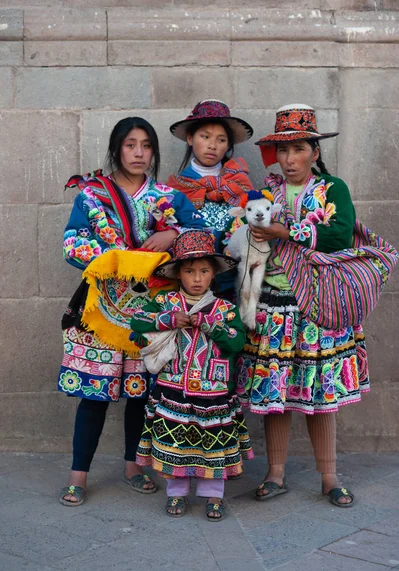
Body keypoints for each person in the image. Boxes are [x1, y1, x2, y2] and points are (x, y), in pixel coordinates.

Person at [58, 117, 207, 506]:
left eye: (146, 146)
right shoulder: (92, 197)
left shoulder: (168, 197)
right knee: (94, 395)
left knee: (141, 395)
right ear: (116, 149)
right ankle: (78, 477)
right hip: (102, 313)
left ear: (154, 152)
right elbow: (73, 244)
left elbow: (202, 237)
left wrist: (173, 234)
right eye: (130, 145)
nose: (139, 153)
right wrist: (120, 260)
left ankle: (132, 466)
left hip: (150, 313)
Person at [236, 104, 370, 507]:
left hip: (318, 308)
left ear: (314, 151)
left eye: (298, 150)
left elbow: (340, 236)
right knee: (276, 397)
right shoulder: (267, 192)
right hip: (273, 306)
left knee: (322, 394)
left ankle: (329, 476)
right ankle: (276, 474)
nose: (289, 159)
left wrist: (286, 230)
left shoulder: (333, 190)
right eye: (282, 151)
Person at [130, 230, 254, 520]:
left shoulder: (224, 309)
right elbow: (136, 322)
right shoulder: (164, 302)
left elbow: (237, 342)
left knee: (212, 443)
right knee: (176, 442)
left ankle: (213, 496)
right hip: (173, 389)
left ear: (213, 274)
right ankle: (176, 494)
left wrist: (211, 325)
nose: (197, 278)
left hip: (213, 393)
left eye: (203, 271)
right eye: (189, 271)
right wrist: (169, 320)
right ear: (178, 274)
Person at [166, 99, 254, 297]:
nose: (212, 145)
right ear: (190, 138)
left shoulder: (239, 184)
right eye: (205, 137)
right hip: (191, 287)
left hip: (236, 285)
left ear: (228, 145)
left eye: (221, 140)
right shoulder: (174, 188)